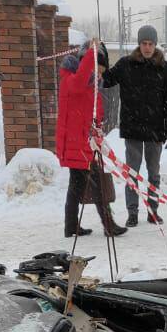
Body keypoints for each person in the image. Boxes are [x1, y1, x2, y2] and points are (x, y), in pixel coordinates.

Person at [103, 25, 167, 227]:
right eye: (144, 43)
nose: (147, 47)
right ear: (139, 44)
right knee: (132, 173)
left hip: (155, 130)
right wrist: (101, 62)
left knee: (153, 173)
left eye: (150, 44)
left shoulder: (166, 69)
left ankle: (153, 212)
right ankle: (132, 213)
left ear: (155, 44)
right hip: (133, 128)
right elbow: (106, 80)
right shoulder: (126, 64)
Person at [57, 39, 125, 238]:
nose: (100, 73)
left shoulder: (89, 85)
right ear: (87, 62)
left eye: (102, 70)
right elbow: (80, 85)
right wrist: (91, 54)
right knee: (96, 185)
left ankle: (72, 226)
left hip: (83, 143)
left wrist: (98, 126)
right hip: (77, 144)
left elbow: (94, 111)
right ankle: (108, 225)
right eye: (98, 68)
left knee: (77, 187)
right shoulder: (72, 81)